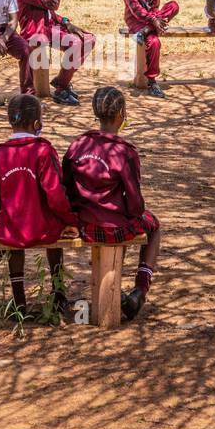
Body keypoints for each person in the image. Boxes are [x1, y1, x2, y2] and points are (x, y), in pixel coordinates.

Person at [64, 87, 162, 321]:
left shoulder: (78, 144)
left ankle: (117, 286)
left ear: (96, 113)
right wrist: (128, 213)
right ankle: (140, 288)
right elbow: (136, 205)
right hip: (113, 228)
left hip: (83, 225)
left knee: (124, 224)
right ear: (121, 113)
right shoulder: (124, 152)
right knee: (154, 226)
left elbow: (65, 187)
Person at [0, 94, 80, 315]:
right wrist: (70, 220)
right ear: (37, 123)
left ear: (11, 121)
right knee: (56, 233)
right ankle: (58, 294)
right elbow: (55, 194)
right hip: (44, 227)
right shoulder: (43, 150)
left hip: (11, 226)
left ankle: (19, 302)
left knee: (14, 242)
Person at [16, 0, 95, 106]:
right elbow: (52, 3)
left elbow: (48, 11)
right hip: (35, 31)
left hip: (48, 26)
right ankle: (59, 89)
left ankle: (62, 82)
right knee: (75, 43)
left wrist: (66, 22)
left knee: (88, 39)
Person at [122, 0, 180, 98]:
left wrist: (155, 19)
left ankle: (147, 30)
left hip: (151, 22)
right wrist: (154, 20)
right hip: (135, 21)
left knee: (174, 5)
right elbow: (135, 9)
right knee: (154, 42)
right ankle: (152, 81)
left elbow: (155, 7)